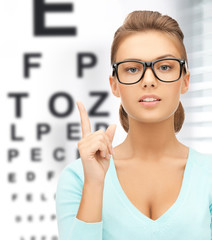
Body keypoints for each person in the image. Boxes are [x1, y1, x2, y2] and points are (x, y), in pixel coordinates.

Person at [55, 10, 212, 240]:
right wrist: (95, 186)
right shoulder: (78, 178)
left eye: (165, 67)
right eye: (132, 69)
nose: (149, 80)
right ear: (115, 84)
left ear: (185, 80)